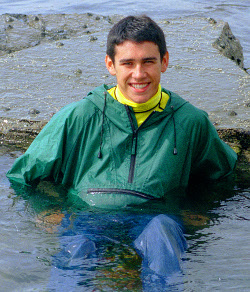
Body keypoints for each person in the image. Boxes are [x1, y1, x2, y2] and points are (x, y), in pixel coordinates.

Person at [6, 15, 237, 279]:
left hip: (157, 217)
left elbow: (222, 177)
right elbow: (21, 177)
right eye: (127, 63)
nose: (138, 74)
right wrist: (45, 209)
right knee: (77, 252)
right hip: (87, 217)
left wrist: (199, 210)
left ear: (164, 61)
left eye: (148, 62)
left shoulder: (190, 121)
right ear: (110, 65)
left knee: (162, 240)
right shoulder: (79, 116)